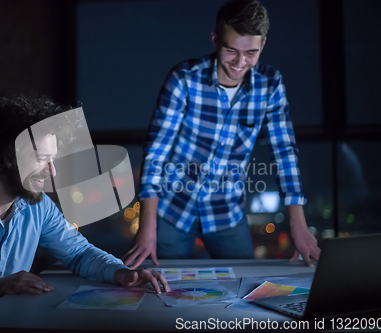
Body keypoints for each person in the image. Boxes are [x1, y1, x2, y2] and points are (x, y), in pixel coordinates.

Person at [0, 94, 169, 320]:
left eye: (54, 160)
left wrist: (123, 273)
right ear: (6, 155)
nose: (52, 171)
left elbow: (78, 252)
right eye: (42, 158)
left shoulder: (37, 206)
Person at [123, 0, 320, 268]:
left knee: (244, 290)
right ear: (215, 40)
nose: (240, 63)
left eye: (251, 52)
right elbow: (156, 152)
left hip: (227, 213)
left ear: (262, 45)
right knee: (160, 289)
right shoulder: (184, 78)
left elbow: (284, 153)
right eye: (231, 50)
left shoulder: (270, 84)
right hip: (172, 210)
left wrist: (298, 224)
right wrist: (147, 227)